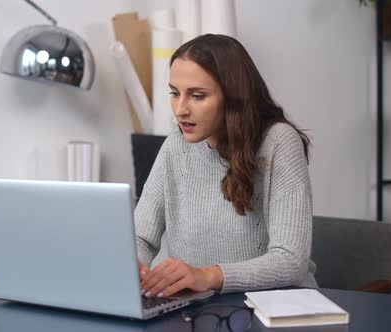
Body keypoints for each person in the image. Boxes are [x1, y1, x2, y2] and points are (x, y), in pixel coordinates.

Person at [135, 34, 317, 299]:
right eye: (174, 93)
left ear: (233, 98)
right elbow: (140, 237)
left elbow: (291, 261)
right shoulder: (176, 146)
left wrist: (207, 276)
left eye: (197, 96)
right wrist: (135, 267)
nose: (180, 110)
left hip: (275, 309)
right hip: (199, 309)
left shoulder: (278, 142)